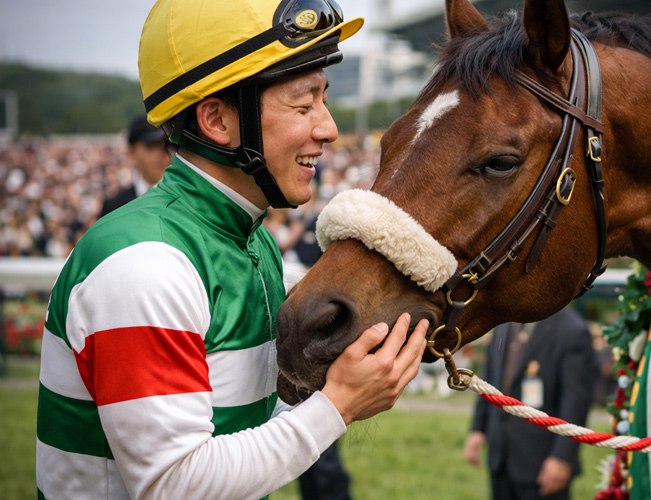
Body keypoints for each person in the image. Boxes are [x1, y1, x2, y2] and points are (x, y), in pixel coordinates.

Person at [35, 1, 428, 499]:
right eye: (304, 105)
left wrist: (349, 377)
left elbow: (247, 424)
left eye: (324, 101)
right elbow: (173, 486)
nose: (328, 128)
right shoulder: (144, 265)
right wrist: (338, 405)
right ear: (218, 121)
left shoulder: (253, 238)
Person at [463, 307, 598, 500]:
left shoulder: (573, 330)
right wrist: (478, 429)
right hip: (501, 456)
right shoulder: (503, 321)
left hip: (542, 464)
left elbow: (575, 401)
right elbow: (489, 378)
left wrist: (562, 458)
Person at [100, 114, 170, 217]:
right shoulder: (114, 207)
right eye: (150, 147)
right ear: (131, 151)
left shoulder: (185, 199)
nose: (159, 154)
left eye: (164, 145)